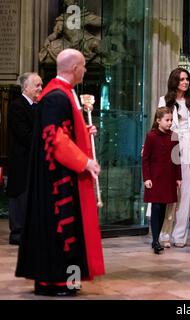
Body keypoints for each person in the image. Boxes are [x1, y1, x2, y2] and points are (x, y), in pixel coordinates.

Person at [15, 49, 104, 296]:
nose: (85, 70)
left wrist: (84, 131)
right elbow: (55, 138)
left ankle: (64, 282)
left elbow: (64, 131)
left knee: (63, 232)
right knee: (60, 232)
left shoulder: (61, 94)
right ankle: (55, 283)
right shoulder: (57, 96)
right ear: (75, 68)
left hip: (61, 175)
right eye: (84, 66)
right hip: (58, 180)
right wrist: (85, 162)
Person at [158, 67, 190, 248]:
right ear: (174, 81)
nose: (185, 82)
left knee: (186, 193)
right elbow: (160, 126)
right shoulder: (164, 100)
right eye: (181, 79)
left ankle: (180, 236)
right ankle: (164, 234)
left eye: (187, 79)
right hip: (171, 148)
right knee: (170, 193)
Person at [7, 73, 43, 245]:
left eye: (41, 85)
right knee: (20, 197)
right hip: (22, 161)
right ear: (26, 87)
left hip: (34, 160)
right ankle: (18, 234)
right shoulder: (17, 106)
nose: (40, 89)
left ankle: (30, 232)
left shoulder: (37, 107)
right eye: (37, 85)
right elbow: (24, 135)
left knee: (31, 197)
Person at [142, 107, 181, 254]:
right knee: (156, 208)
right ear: (158, 120)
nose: (170, 122)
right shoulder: (151, 136)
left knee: (164, 208)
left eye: (171, 120)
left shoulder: (174, 136)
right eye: (167, 120)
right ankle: (155, 240)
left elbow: (177, 159)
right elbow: (145, 159)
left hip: (169, 177)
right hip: (155, 178)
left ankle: (157, 238)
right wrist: (147, 178)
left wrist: (178, 177)